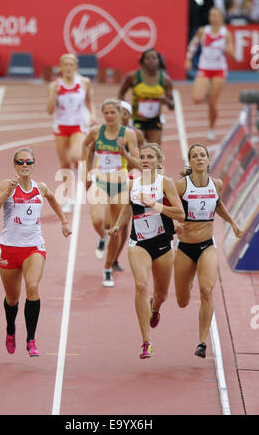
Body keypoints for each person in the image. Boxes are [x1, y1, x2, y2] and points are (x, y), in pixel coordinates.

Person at [0, 147, 72, 357]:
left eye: (28, 162)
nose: (25, 166)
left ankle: (31, 339)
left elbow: (52, 198)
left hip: (34, 247)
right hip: (9, 248)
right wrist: (6, 193)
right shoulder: (6, 186)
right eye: (20, 162)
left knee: (32, 286)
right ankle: (10, 328)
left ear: (34, 165)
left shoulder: (40, 187)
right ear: (14, 165)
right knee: (13, 298)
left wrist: (64, 221)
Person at [109, 143, 185, 358]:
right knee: (141, 285)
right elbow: (128, 207)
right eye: (142, 156)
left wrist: (155, 204)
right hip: (138, 243)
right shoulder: (134, 183)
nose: (145, 160)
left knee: (161, 293)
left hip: (162, 243)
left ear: (159, 161)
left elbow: (180, 214)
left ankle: (156, 306)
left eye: (150, 156)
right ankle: (146, 341)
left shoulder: (166, 183)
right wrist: (117, 224)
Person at [174, 143, 244, 359]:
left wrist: (232, 222)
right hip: (185, 248)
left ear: (208, 160)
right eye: (194, 156)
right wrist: (173, 224)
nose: (199, 159)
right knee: (182, 301)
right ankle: (187, 279)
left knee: (207, 290)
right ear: (190, 162)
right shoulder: (181, 186)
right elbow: (168, 208)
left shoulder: (217, 184)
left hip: (207, 246)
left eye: (202, 155)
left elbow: (218, 204)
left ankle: (202, 342)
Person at [82, 98, 140, 287]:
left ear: (120, 114)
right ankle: (101, 237)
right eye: (105, 113)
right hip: (100, 182)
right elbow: (86, 147)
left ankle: (107, 268)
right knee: (98, 220)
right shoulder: (96, 132)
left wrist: (124, 153)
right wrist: (86, 173)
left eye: (112, 112)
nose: (109, 116)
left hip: (121, 185)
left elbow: (138, 163)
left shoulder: (129, 134)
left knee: (116, 230)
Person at [47, 53, 96, 212]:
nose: (68, 68)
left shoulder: (84, 82)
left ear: (75, 67)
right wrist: (54, 93)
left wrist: (93, 115)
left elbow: (89, 101)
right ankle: (69, 197)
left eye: (71, 65)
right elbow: (50, 111)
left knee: (75, 156)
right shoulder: (55, 85)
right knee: (65, 164)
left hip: (78, 125)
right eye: (65, 65)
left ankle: (88, 174)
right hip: (61, 126)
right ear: (61, 67)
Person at [185, 7, 235, 142]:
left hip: (219, 70)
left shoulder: (226, 33)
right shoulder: (203, 31)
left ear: (221, 18)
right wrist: (188, 59)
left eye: (216, 16)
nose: (214, 18)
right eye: (212, 15)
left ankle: (211, 128)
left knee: (213, 103)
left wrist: (229, 51)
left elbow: (232, 53)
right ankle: (206, 91)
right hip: (204, 67)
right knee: (196, 98)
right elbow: (193, 45)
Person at [118, 48, 174, 146]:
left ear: (159, 61)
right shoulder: (133, 76)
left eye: (154, 58)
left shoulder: (165, 80)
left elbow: (172, 105)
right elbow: (121, 94)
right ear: (142, 61)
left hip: (155, 119)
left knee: (155, 150)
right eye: (148, 58)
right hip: (137, 119)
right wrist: (125, 109)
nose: (151, 60)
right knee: (138, 150)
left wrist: (166, 101)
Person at [112, 100, 143, 272]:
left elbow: (140, 161)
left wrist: (125, 165)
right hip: (107, 179)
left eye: (123, 112)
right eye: (117, 111)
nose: (118, 115)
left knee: (124, 222)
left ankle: (115, 258)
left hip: (127, 178)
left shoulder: (135, 134)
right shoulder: (104, 132)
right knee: (105, 218)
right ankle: (103, 238)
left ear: (128, 115)